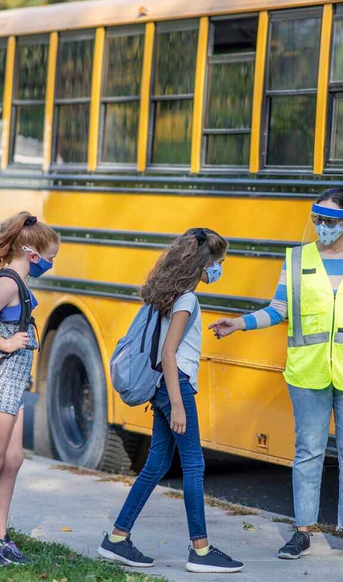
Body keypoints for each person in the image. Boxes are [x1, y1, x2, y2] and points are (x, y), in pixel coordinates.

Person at [209, 187, 343, 563]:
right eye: (318, 219)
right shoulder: (296, 259)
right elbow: (278, 309)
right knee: (309, 452)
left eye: (332, 221)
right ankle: (302, 531)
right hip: (307, 371)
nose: (323, 227)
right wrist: (241, 323)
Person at [98, 228, 244, 574]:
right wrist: (177, 405)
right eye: (218, 263)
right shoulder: (187, 300)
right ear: (204, 264)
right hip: (175, 386)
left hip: (164, 386)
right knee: (194, 465)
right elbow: (168, 352)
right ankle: (201, 549)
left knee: (157, 464)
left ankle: (117, 539)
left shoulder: (165, 294)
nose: (219, 270)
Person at [0, 212, 60, 566]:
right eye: (49, 259)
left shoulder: (19, 283)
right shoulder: (6, 284)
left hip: (14, 385)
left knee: (13, 460)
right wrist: (5, 345)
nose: (50, 264)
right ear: (32, 254)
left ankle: (0, 536)